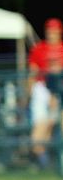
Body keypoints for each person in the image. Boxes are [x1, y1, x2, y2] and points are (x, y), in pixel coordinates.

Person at [27, 18, 63, 170]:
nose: (51, 33)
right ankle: (45, 164)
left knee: (54, 125)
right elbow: (32, 73)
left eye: (54, 30)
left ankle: (55, 163)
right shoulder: (39, 49)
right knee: (40, 128)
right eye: (49, 30)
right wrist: (27, 94)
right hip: (42, 88)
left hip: (60, 89)